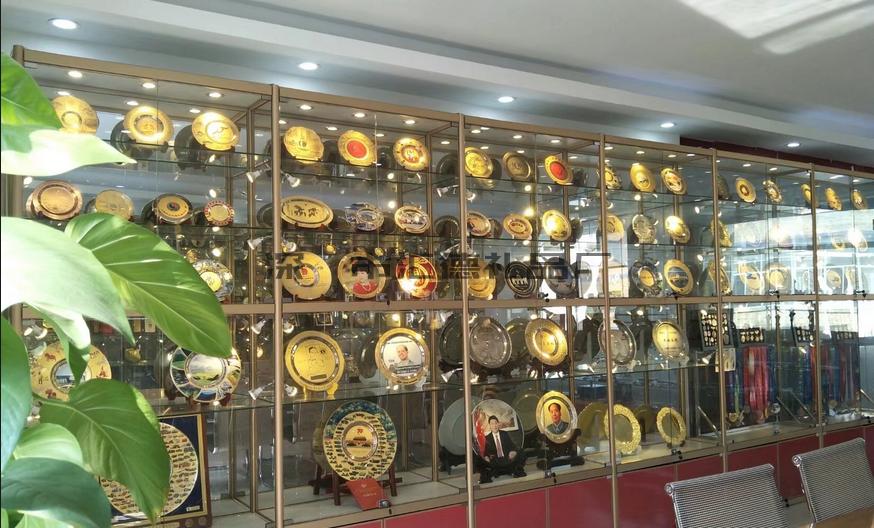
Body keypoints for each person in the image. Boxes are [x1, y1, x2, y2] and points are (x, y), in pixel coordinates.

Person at [480, 415, 526, 484]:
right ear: (490, 425)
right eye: (492, 424)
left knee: (521, 452)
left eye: (496, 423)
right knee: (481, 460)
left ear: (498, 424)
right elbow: (485, 452)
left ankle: (514, 471)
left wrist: (513, 451)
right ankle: (506, 471)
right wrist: (486, 457)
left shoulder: (504, 434)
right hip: (496, 462)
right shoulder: (487, 438)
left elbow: (512, 446)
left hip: (507, 459)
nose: (494, 426)